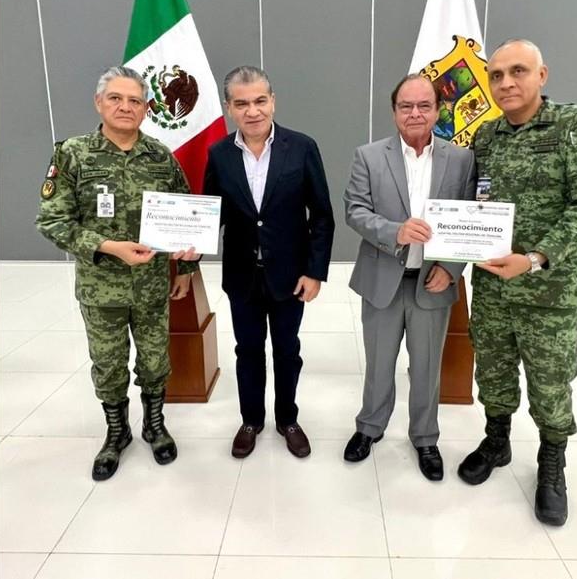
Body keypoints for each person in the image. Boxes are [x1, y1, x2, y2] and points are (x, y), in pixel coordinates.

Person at [460, 39, 577, 526]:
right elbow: (474, 207)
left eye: (518, 71)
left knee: (550, 381)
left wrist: (536, 257)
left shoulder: (575, 124)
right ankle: (497, 439)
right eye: (497, 75)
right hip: (490, 286)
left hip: (550, 288)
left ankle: (552, 462)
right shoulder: (486, 137)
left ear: (542, 75)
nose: (506, 82)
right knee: (495, 370)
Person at [35, 65, 200, 480]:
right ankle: (116, 431)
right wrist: (109, 248)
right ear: (99, 103)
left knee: (155, 359)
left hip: (150, 287)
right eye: (116, 98)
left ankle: (154, 425)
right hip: (100, 288)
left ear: (146, 109)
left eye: (134, 101)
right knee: (108, 364)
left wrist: (185, 268)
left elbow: (187, 212)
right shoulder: (72, 153)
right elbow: (52, 221)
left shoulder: (160, 156)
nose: (125, 107)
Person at [342, 74, 477, 480]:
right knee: (379, 363)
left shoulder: (461, 160)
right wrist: (394, 232)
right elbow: (355, 210)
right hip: (382, 279)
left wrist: (451, 270)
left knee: (427, 367)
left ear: (438, 110)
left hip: (433, 282)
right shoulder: (369, 155)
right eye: (406, 106)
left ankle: (425, 438)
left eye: (423, 106)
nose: (415, 113)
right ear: (394, 111)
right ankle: (369, 428)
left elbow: (471, 220)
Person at [202, 66, 335, 459]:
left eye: (260, 101)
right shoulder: (220, 154)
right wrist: (190, 241)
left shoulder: (302, 147)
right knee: (247, 350)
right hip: (242, 275)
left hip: (290, 276)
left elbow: (322, 216)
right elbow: (214, 213)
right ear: (229, 108)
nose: (253, 111)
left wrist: (315, 271)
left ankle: (287, 419)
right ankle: (250, 420)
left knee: (287, 350)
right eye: (241, 103)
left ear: (273, 101)